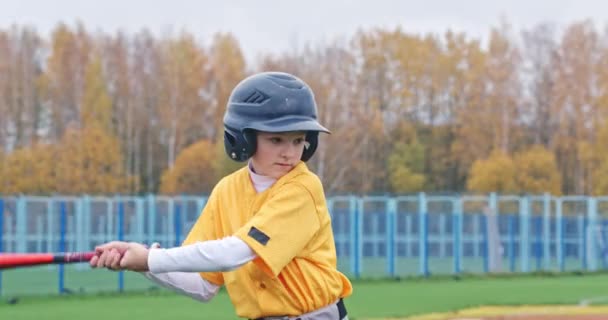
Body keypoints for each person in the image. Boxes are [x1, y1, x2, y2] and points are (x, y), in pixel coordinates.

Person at [91, 71, 353, 320]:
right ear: (243, 139)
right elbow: (202, 284)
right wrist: (141, 262)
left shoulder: (303, 187)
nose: (290, 152)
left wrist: (151, 258)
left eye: (298, 140)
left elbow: (236, 253)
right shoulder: (227, 191)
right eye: (276, 140)